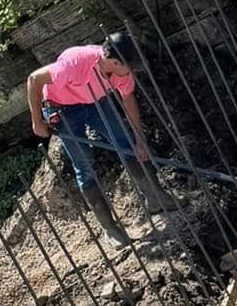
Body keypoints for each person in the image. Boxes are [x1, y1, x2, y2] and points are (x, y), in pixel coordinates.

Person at [27, 32, 172, 245]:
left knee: (127, 142)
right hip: (63, 108)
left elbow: (128, 98)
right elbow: (34, 79)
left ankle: (155, 198)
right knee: (84, 164)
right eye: (130, 67)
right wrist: (37, 121)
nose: (132, 71)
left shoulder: (121, 70)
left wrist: (140, 139)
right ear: (115, 61)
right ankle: (109, 228)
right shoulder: (77, 64)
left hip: (95, 101)